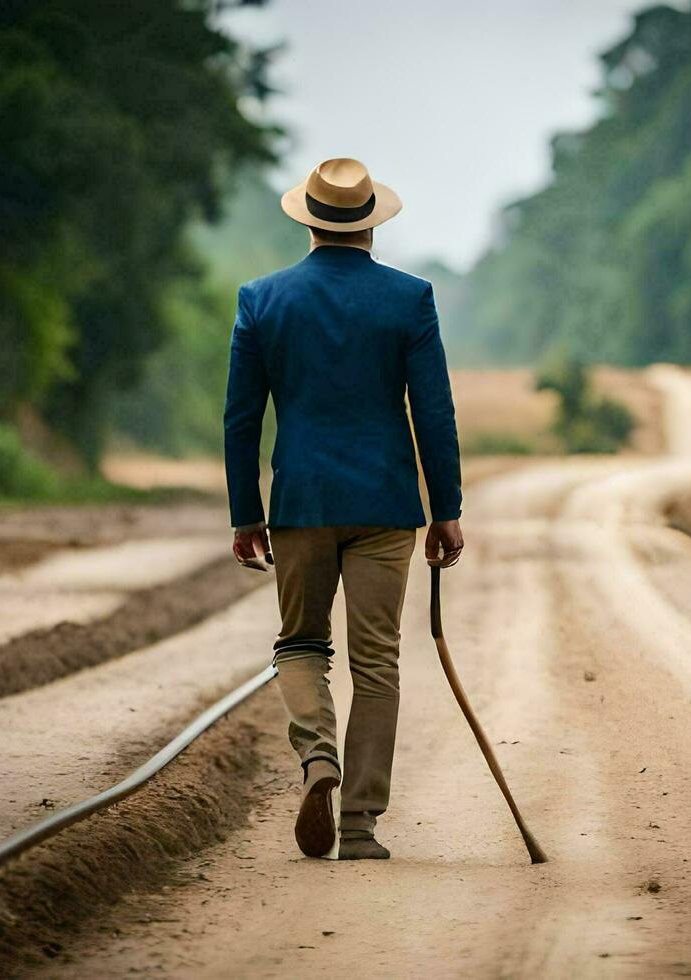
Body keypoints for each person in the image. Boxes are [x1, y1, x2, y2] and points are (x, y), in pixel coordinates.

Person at [223, 157, 463, 860]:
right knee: (378, 663)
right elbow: (435, 413)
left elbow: (242, 420)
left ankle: (318, 759)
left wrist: (246, 513)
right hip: (386, 504)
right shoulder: (409, 298)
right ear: (370, 222)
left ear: (307, 219)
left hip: (300, 501)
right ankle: (360, 825)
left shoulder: (261, 300)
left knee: (300, 645)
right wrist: (445, 506)